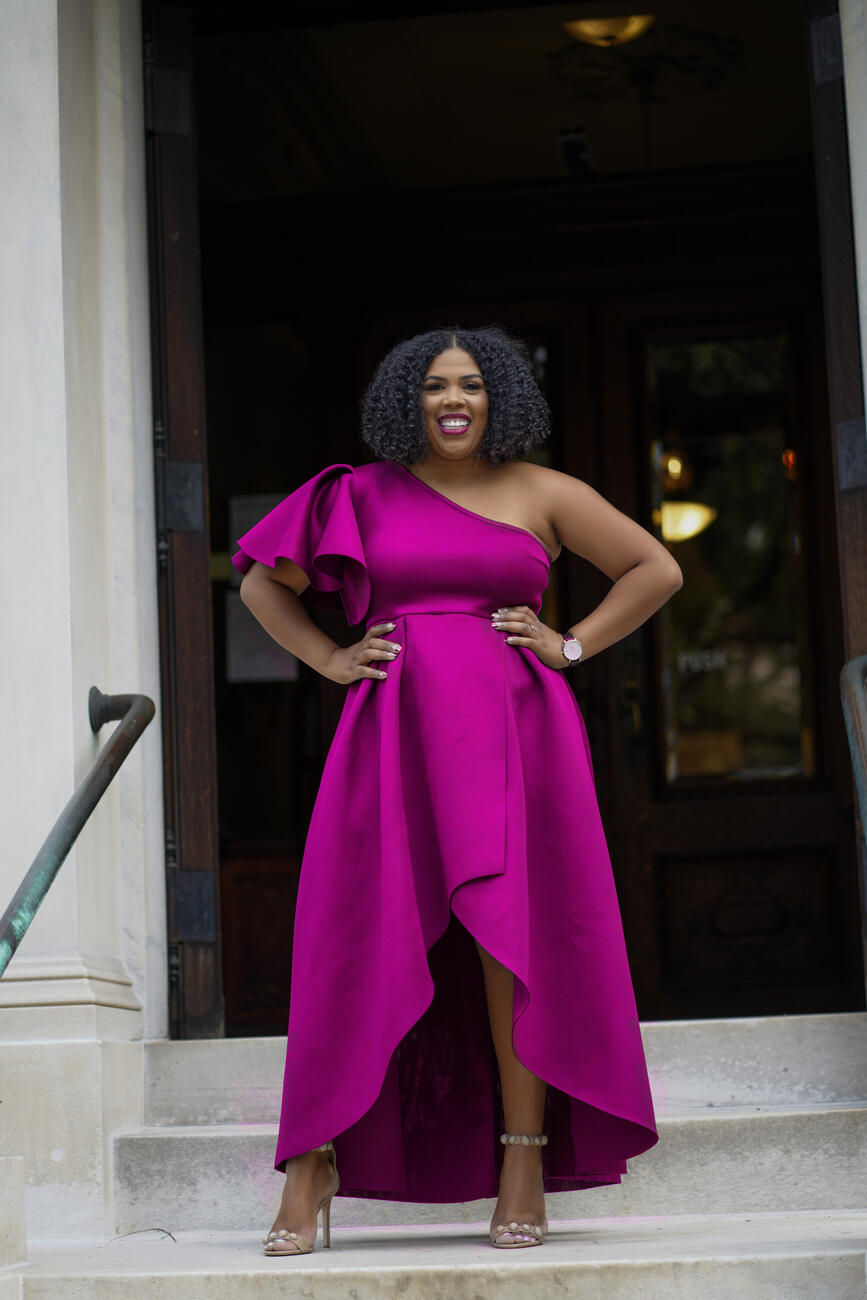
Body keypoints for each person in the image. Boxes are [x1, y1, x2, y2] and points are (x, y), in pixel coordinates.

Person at [233, 324, 682, 1257]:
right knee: (356, 936)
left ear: (499, 400)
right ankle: (311, 1164)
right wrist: (328, 657)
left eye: (472, 385)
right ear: (407, 399)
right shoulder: (353, 493)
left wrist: (570, 645)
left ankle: (523, 1162)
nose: (454, 399)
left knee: (503, 937)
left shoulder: (542, 492)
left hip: (516, 739)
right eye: (435, 384)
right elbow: (258, 590)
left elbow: (655, 568)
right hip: (390, 739)